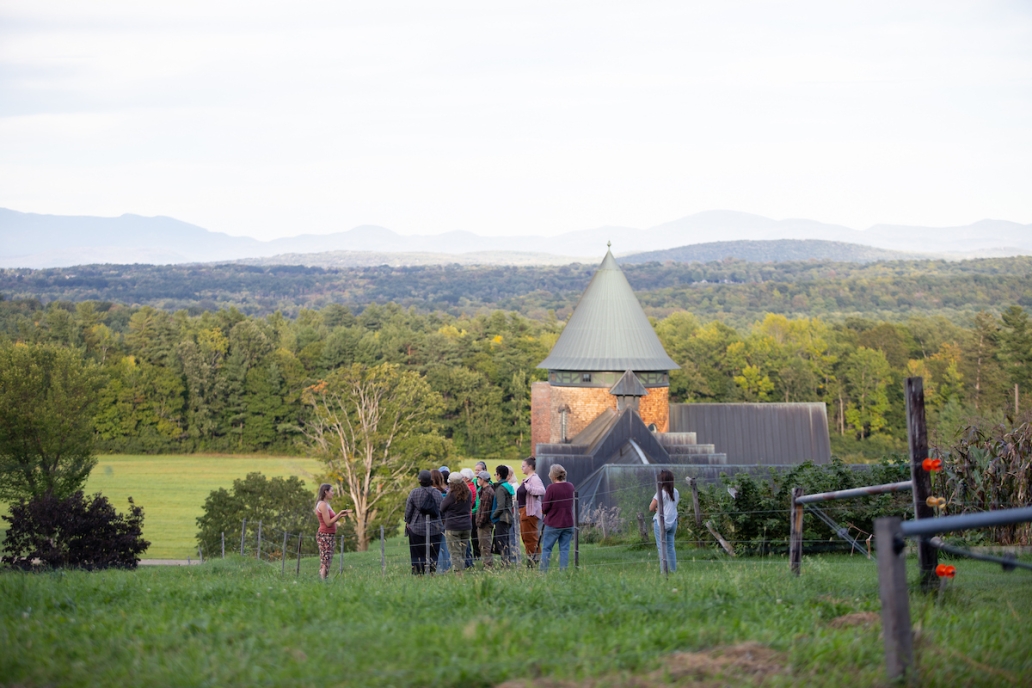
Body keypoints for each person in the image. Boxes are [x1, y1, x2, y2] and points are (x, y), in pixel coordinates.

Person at [404, 470, 443, 575]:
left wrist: (408, 522)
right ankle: (432, 573)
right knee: (434, 554)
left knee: (417, 554)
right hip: (435, 528)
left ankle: (418, 575)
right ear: (431, 480)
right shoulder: (438, 493)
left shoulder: (414, 493)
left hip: (417, 528)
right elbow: (441, 510)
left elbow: (408, 511)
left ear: (420, 480)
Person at [540, 464, 576, 572]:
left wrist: (544, 512)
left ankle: (543, 572)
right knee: (564, 549)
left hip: (554, 522)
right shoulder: (570, 486)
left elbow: (545, 507)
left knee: (547, 548)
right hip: (568, 522)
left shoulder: (551, 488)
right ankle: (563, 572)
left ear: (553, 475)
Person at [315, 483, 351, 580]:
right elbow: (328, 523)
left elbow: (332, 520)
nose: (333, 493)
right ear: (326, 492)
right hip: (325, 535)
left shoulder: (326, 504)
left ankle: (323, 580)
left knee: (327, 560)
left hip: (329, 535)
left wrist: (340, 516)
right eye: (332, 491)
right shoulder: (323, 505)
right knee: (325, 560)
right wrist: (339, 514)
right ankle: (322, 581)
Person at [440, 472, 473, 573]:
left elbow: (442, 507)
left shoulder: (451, 495)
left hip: (453, 526)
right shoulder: (468, 493)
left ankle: (459, 575)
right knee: (462, 551)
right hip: (466, 525)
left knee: (455, 553)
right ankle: (461, 571)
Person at [649, 469, 679, 572]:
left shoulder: (660, 493)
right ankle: (673, 570)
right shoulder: (676, 492)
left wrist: (657, 509)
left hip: (661, 523)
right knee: (671, 547)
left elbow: (651, 508)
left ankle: (664, 571)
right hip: (673, 522)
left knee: (662, 548)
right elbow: (672, 505)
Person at [518, 457, 546, 568]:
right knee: (526, 537)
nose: (522, 468)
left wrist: (528, 487)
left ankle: (534, 559)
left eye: (523, 466)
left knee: (530, 537)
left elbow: (542, 490)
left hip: (529, 512)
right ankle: (531, 558)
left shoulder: (534, 478)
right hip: (524, 511)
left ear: (530, 467)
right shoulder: (528, 479)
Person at [491, 465, 516, 564]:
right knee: (505, 542)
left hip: (501, 518)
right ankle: (507, 562)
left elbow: (501, 505)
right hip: (508, 517)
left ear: (499, 475)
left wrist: (493, 515)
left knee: (501, 542)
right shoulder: (508, 486)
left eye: (496, 474)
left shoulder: (501, 488)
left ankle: (505, 563)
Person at [431, 469, 452, 572]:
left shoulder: (432, 493)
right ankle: (446, 568)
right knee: (445, 547)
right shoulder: (446, 493)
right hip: (445, 522)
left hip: (434, 523)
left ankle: (439, 570)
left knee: (437, 548)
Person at [474, 471, 495, 569]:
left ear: (483, 480)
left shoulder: (488, 492)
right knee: (482, 544)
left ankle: (488, 566)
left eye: (479, 479)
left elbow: (486, 510)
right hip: (483, 523)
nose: (478, 480)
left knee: (485, 545)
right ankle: (486, 564)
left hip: (485, 524)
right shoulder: (484, 490)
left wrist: (480, 522)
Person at [460, 468, 477, 568]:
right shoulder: (470, 487)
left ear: (466, 478)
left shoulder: (468, 489)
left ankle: (468, 562)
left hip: (466, 515)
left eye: (462, 477)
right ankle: (468, 561)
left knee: (465, 541)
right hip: (468, 514)